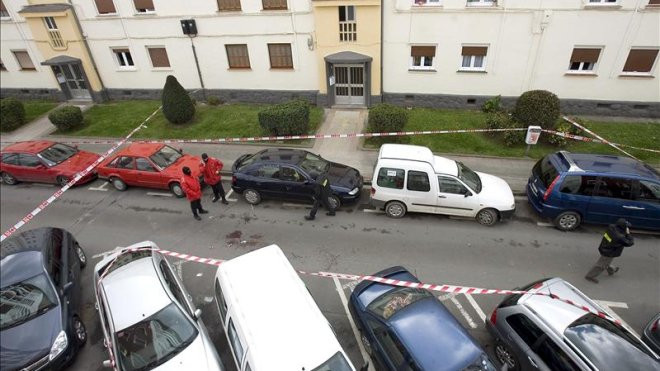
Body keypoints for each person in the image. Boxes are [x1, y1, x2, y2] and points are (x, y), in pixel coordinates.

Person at [585, 218, 634, 283]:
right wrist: (628, 234)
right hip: (610, 252)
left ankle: (612, 270)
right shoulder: (619, 237)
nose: (627, 227)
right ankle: (590, 276)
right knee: (601, 265)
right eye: (626, 226)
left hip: (604, 247)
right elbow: (630, 243)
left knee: (606, 261)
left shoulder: (611, 227)